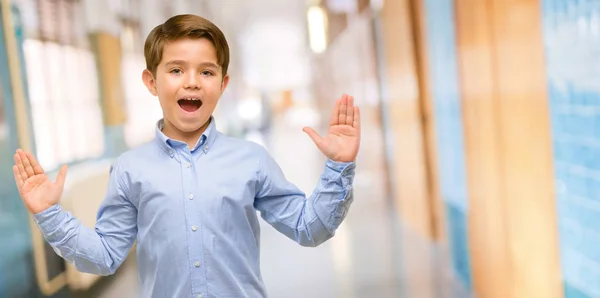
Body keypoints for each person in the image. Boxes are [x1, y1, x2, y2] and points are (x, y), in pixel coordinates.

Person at [12, 14, 360, 298]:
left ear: (223, 84)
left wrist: (339, 168)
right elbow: (104, 256)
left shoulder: (251, 160)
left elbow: (309, 228)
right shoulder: (130, 170)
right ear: (151, 82)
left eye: (206, 71)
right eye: (176, 70)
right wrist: (50, 215)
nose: (192, 82)